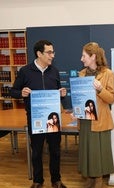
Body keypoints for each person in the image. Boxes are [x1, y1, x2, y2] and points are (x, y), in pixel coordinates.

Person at [10, 40, 67, 188]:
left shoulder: (54, 71)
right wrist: (21, 93)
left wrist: (62, 94)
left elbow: (58, 91)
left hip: (53, 119)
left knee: (55, 151)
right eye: (49, 52)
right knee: (36, 152)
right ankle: (37, 181)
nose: (52, 55)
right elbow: (13, 91)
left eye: (53, 52)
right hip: (35, 119)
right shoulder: (25, 71)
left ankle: (56, 180)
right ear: (39, 54)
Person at [77, 42, 114, 188]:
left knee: (98, 152)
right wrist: (77, 111)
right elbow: (80, 99)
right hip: (85, 119)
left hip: (100, 120)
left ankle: (98, 180)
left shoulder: (108, 74)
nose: (81, 59)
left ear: (93, 57)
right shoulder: (81, 74)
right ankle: (89, 179)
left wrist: (100, 90)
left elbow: (111, 98)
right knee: (87, 150)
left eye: (84, 56)